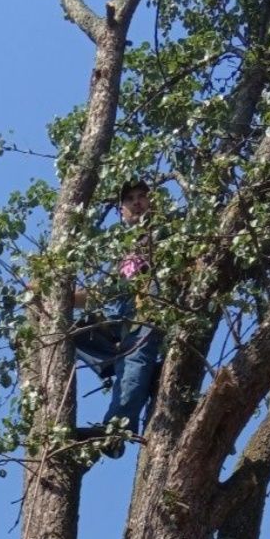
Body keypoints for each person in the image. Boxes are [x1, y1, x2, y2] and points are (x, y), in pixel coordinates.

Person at [73, 179, 160, 458]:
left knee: (135, 357)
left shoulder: (163, 234)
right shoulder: (122, 248)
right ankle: (131, 368)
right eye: (129, 199)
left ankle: (115, 433)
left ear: (152, 202)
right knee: (73, 329)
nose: (136, 202)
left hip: (149, 308)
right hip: (119, 315)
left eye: (142, 196)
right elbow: (103, 292)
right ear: (121, 210)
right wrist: (55, 296)